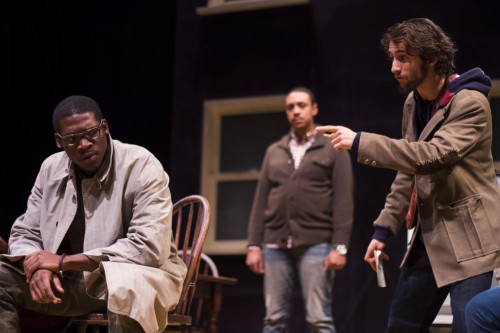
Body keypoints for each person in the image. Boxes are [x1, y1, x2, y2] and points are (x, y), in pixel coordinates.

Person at [317, 17, 500, 333]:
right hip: (430, 237)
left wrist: (360, 141)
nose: (394, 67)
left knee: (470, 326)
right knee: (401, 324)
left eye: (403, 58)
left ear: (431, 59)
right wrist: (383, 231)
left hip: (470, 238)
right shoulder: (413, 103)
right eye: (392, 58)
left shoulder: (470, 102)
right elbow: (407, 172)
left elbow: (432, 156)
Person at [0, 95, 187, 333]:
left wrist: (61, 262)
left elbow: (148, 248)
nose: (84, 144)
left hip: (144, 277)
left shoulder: (141, 164)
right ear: (59, 141)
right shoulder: (50, 169)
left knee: (126, 286)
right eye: (72, 138)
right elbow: (26, 231)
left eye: (91, 133)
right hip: (75, 282)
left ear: (105, 127)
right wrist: (37, 265)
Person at [246, 87, 355, 333]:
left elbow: (343, 199)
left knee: (319, 319)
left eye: (301, 105)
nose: (296, 111)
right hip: (275, 244)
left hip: (317, 243)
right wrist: (254, 245)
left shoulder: (332, 147)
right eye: (290, 107)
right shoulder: (274, 150)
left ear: (314, 109)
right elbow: (260, 200)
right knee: (273, 319)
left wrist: (340, 247)